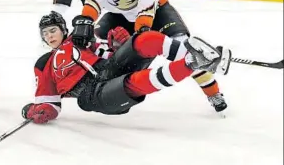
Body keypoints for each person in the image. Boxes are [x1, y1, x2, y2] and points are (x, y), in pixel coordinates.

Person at [71, 0, 228, 113]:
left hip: (157, 13)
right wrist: (86, 20)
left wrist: (141, 33)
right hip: (118, 15)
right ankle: (93, 85)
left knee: (186, 51)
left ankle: (213, 92)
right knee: (93, 42)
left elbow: (147, 8)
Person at [21, 11, 231, 124]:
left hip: (108, 68)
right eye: (45, 34)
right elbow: (49, 103)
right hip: (89, 94)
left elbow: (108, 53)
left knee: (144, 40)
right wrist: (35, 111)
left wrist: (117, 45)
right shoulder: (43, 63)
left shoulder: (80, 39)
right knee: (135, 82)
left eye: (52, 30)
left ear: (63, 29)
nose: (49, 36)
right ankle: (190, 64)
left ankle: (199, 57)